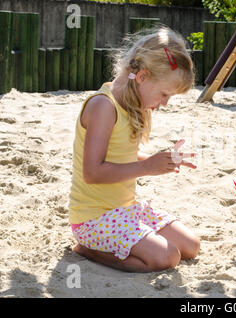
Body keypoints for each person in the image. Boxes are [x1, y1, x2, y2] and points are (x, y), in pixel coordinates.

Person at [69, 27, 200, 272]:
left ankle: (121, 243)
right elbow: (93, 173)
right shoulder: (103, 106)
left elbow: (122, 157)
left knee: (190, 246)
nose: (164, 104)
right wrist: (147, 167)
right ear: (142, 77)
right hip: (94, 219)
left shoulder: (133, 105)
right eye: (164, 94)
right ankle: (87, 249)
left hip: (125, 210)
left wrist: (160, 161)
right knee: (167, 257)